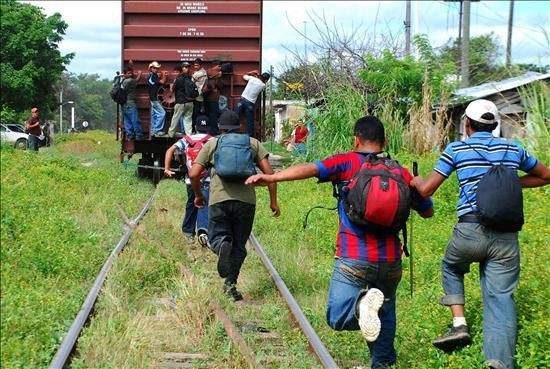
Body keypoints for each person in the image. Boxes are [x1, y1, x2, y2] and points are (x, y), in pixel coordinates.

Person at [246, 116, 434, 368]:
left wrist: (273, 178)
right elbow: (427, 211)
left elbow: (311, 168)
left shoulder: (346, 161)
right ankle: (382, 364)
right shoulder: (400, 171)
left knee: (337, 315)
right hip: (390, 260)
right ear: (385, 141)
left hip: (353, 256)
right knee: (385, 312)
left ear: (356, 140)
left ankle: (360, 308)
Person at [410, 99, 550, 369]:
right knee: (500, 298)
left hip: (469, 232)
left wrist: (415, 181)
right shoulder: (513, 148)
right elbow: (546, 176)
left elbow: (426, 190)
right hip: (505, 239)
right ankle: (499, 363)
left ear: (467, 123)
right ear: (495, 125)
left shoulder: (457, 148)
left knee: (451, 266)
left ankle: (459, 324)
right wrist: (508, 183)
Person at [189, 110, 280, 301]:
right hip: (246, 202)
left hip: (219, 200)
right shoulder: (252, 143)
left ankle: (221, 244)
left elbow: (193, 174)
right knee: (239, 246)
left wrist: (198, 195)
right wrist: (273, 202)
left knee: (217, 237)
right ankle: (230, 286)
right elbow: (270, 175)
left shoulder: (213, 144)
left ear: (220, 128)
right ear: (240, 126)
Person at [164, 116, 214, 247]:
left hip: (190, 179)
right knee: (204, 202)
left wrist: (167, 168)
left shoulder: (186, 140)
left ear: (195, 127)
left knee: (191, 203)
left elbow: (170, 150)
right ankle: (203, 231)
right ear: (208, 128)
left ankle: (187, 232)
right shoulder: (212, 140)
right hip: (206, 178)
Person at [235, 71, 270, 136]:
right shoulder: (263, 85)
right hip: (249, 104)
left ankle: (231, 131)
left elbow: (244, 76)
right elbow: (262, 82)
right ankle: (249, 135)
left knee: (235, 116)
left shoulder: (252, 79)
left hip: (242, 100)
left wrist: (251, 72)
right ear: (266, 80)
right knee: (249, 121)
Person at [169, 62, 195, 137]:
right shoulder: (191, 78)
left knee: (175, 119)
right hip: (190, 102)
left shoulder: (178, 79)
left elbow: (172, 90)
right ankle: (189, 136)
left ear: (180, 70)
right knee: (188, 120)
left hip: (180, 102)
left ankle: (171, 134)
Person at [121, 67, 143, 140]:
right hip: (131, 104)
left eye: (131, 73)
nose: (130, 75)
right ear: (125, 74)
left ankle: (130, 135)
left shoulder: (122, 81)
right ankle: (138, 136)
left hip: (124, 104)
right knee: (135, 120)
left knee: (127, 121)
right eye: (128, 73)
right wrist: (139, 74)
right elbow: (137, 80)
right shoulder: (130, 81)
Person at [148, 61, 168, 137]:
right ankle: (157, 130)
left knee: (154, 115)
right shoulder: (153, 76)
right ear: (151, 68)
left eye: (157, 68)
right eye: (154, 68)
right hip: (154, 99)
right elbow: (162, 82)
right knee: (162, 113)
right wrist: (164, 75)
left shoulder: (151, 76)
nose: (156, 69)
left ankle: (153, 131)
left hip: (152, 99)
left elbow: (158, 83)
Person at [191, 58, 208, 129]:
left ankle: (194, 128)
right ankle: (197, 127)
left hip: (197, 95)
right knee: (197, 112)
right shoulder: (204, 72)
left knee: (195, 113)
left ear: (200, 65)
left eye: (197, 65)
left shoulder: (199, 73)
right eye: (194, 65)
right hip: (199, 95)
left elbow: (190, 81)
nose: (195, 67)